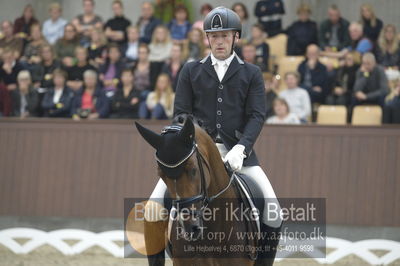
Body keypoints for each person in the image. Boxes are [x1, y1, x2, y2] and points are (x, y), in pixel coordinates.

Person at [148, 6, 282, 264]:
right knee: (152, 209)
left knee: (274, 211)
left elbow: (256, 116)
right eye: (214, 36)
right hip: (195, 154)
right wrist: (195, 144)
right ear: (207, 39)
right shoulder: (191, 70)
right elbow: (181, 115)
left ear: (236, 38)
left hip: (239, 155)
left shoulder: (251, 73)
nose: (219, 41)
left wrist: (241, 149)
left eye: (225, 36)